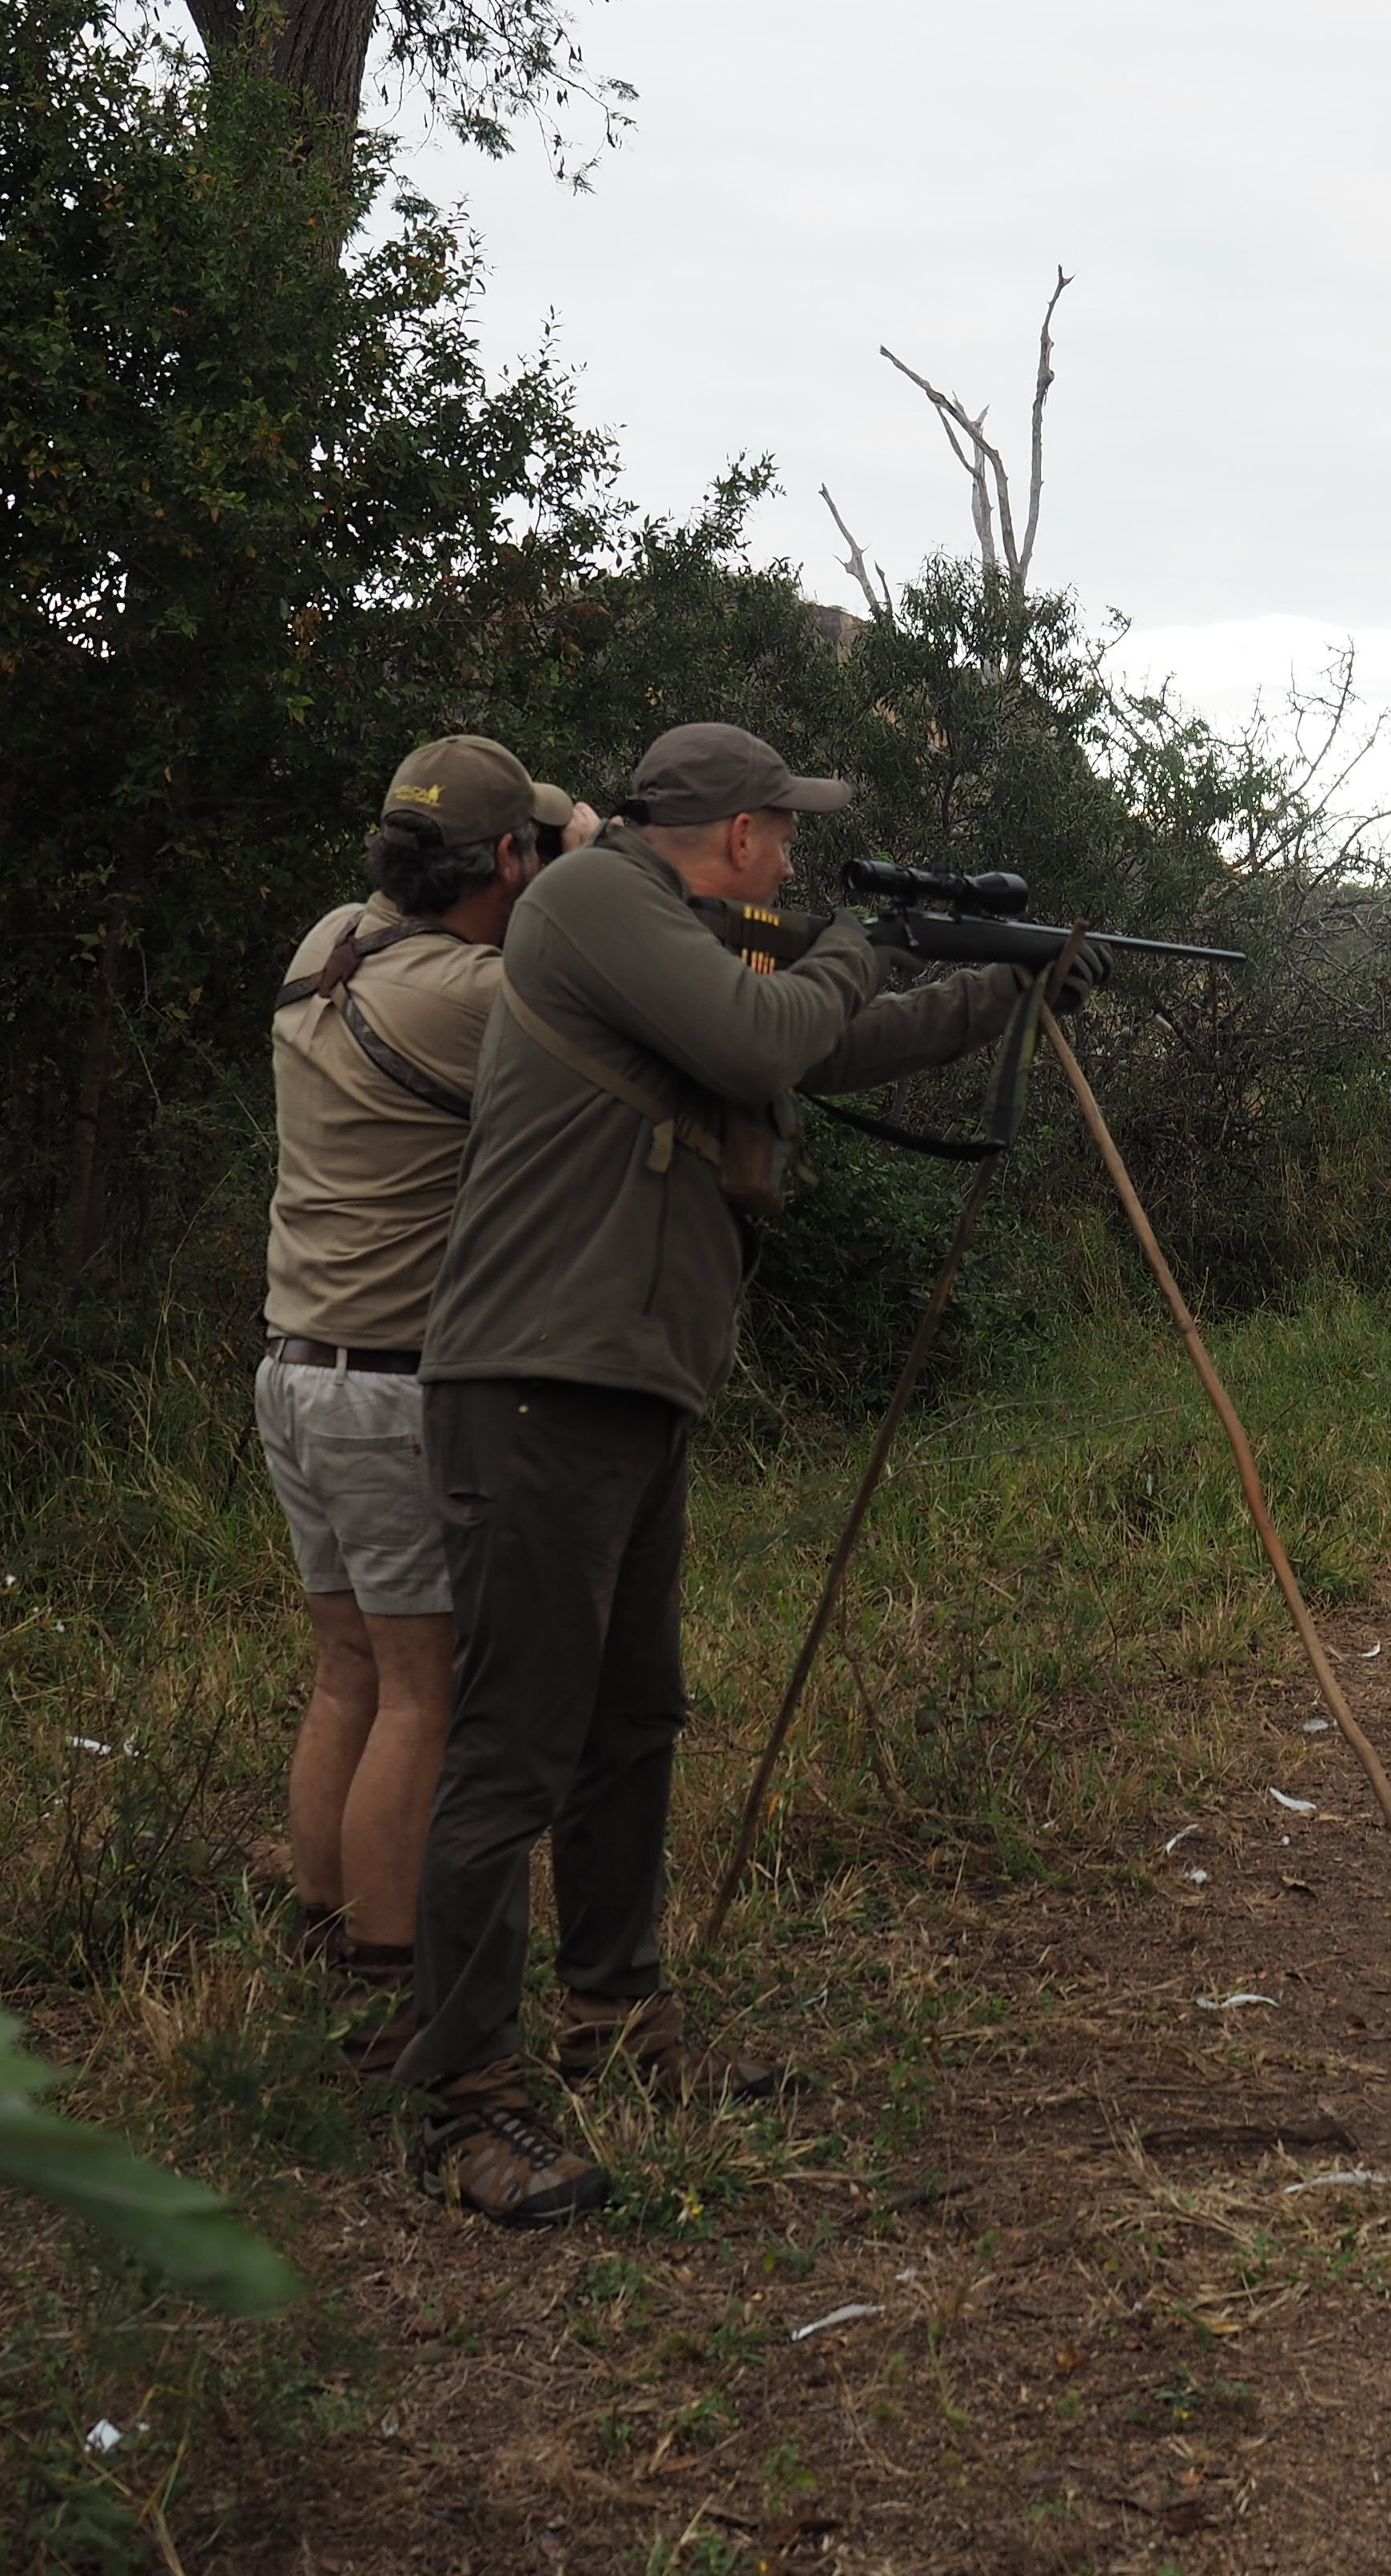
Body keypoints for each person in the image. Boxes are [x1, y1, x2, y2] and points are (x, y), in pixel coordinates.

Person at [396, 719, 1061, 2224]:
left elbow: (822, 1044)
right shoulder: (598, 904)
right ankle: (462, 2103)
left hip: (622, 1385)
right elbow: (776, 1036)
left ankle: (617, 2023)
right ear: (741, 836)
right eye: (786, 827)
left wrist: (994, 987)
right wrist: (860, 948)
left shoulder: (676, 940)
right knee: (513, 1749)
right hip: (534, 1389)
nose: (796, 850)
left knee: (629, 1721)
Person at [259, 734, 595, 2076]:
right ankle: (397, 1975)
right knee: (424, 1691)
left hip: (293, 1370)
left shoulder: (330, 940)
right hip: (391, 1393)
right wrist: (583, 851)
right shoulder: (479, 996)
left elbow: (503, 846)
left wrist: (542, 829)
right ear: (505, 862)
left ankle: (323, 1923)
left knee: (349, 1670)